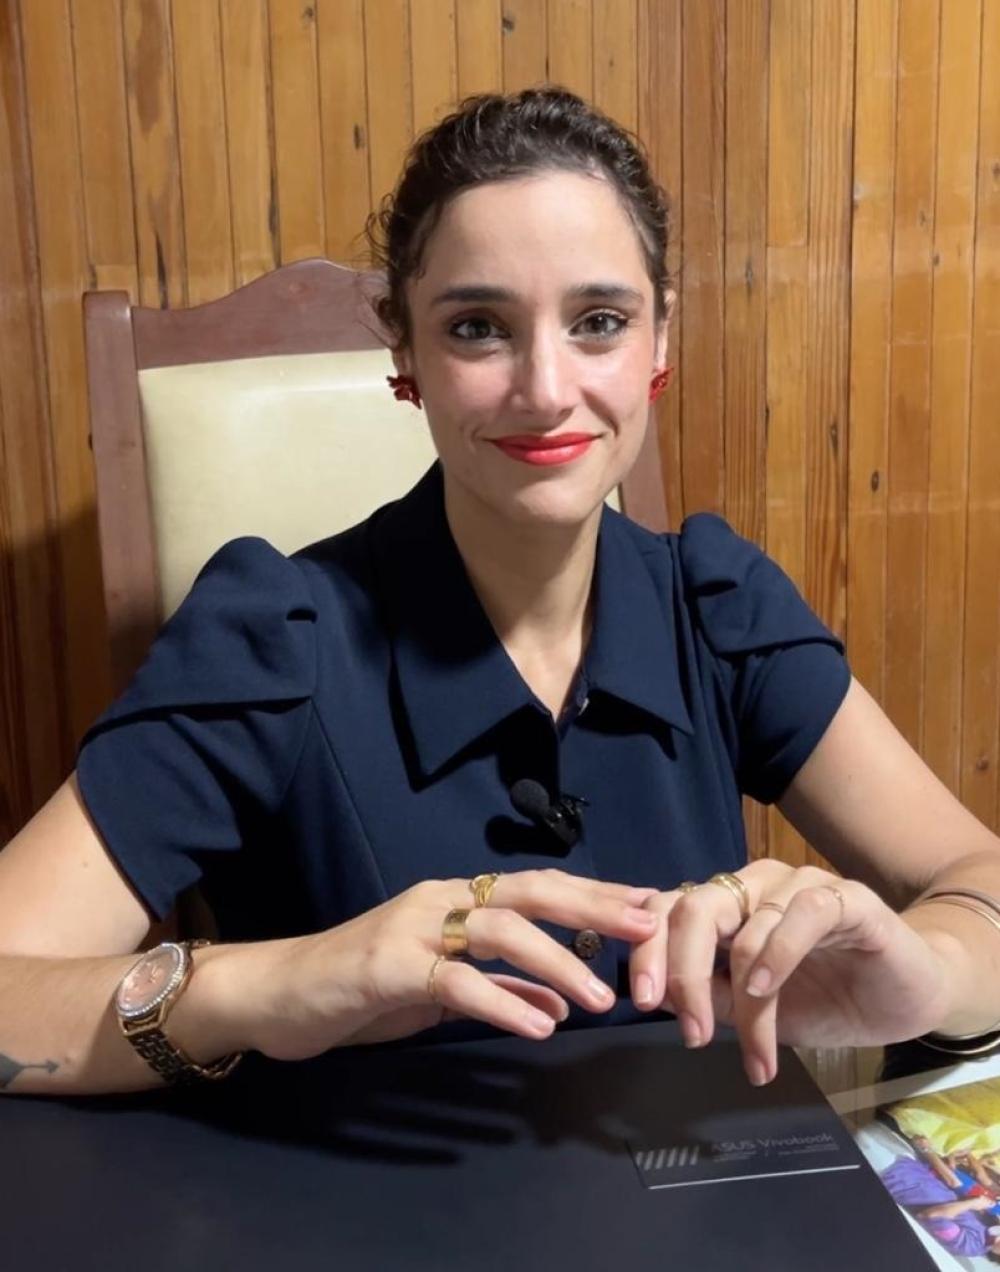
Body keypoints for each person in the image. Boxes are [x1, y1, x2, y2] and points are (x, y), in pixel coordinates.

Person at [2, 87, 1000, 1099]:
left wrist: (927, 974)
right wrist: (273, 981)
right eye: (478, 327)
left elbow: (977, 882)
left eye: (599, 322)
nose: (546, 390)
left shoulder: (717, 603)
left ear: (660, 338)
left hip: (697, 1184)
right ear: (403, 348)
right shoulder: (272, 634)